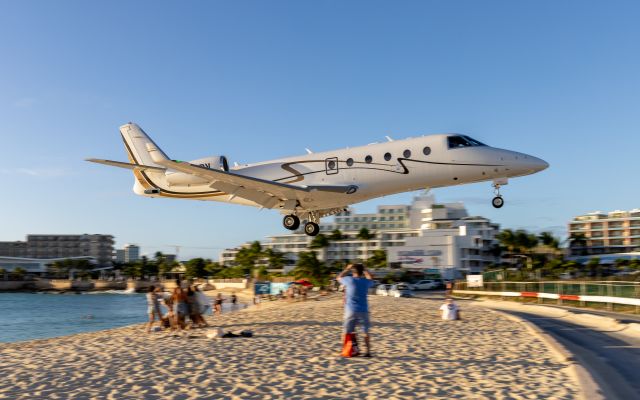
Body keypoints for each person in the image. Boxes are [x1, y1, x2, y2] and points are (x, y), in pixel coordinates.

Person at [337, 263, 375, 357]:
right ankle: (368, 352)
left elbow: (339, 277)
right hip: (363, 310)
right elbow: (370, 278)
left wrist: (347, 269)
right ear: (362, 273)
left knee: (346, 331)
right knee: (365, 332)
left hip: (350, 310)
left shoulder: (348, 280)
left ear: (352, 272)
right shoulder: (365, 282)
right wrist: (365, 269)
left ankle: (345, 350)